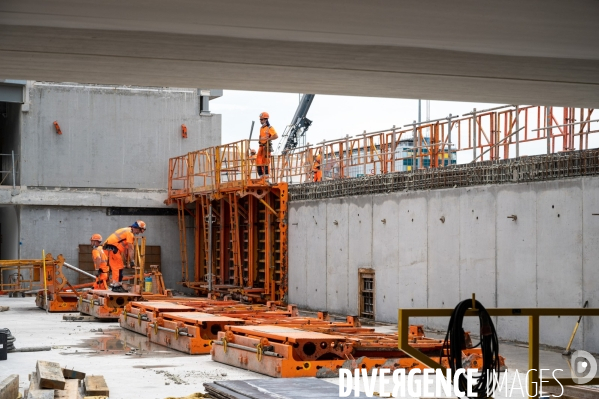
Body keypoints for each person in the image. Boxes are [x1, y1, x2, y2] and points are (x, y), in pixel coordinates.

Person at [103, 220, 146, 292]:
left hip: (109, 248)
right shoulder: (130, 233)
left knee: (116, 267)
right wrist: (132, 261)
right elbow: (130, 247)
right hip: (113, 248)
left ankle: (116, 285)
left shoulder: (127, 230)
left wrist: (127, 261)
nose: (139, 233)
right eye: (140, 231)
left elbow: (126, 250)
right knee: (118, 267)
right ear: (137, 228)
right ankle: (117, 286)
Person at [256, 112, 278, 180]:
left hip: (266, 147)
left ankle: (266, 177)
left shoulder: (269, 128)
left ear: (266, 120)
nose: (261, 121)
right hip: (261, 146)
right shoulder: (261, 128)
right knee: (258, 160)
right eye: (260, 120)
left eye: (262, 119)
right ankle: (261, 176)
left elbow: (276, 136)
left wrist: (269, 139)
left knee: (266, 161)